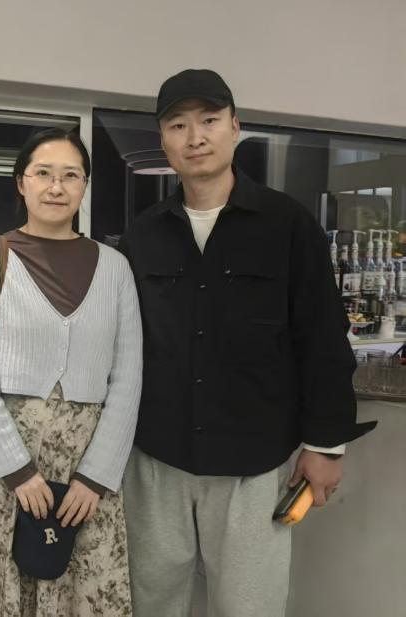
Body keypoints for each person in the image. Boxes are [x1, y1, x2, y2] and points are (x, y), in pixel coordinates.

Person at [120, 69, 377, 617]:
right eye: (178, 125)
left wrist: (326, 445)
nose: (195, 137)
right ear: (163, 139)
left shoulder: (288, 225)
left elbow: (322, 337)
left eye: (209, 121)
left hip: (253, 463)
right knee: (149, 605)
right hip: (156, 460)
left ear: (235, 128)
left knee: (249, 608)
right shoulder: (142, 234)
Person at [0, 128, 142, 616]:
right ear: (21, 182)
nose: (56, 187)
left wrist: (95, 478)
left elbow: (128, 378)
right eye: (43, 173)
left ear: (84, 185)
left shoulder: (115, 267)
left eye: (70, 175)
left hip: (85, 472)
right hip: (1, 466)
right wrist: (18, 471)